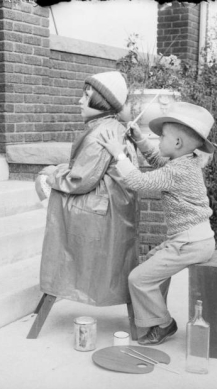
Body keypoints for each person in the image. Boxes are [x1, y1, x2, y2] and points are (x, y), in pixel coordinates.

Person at [98, 102, 216, 345]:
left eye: (161, 136)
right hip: (191, 239)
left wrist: (117, 154)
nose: (157, 139)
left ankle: (164, 323)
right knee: (152, 263)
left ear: (178, 144)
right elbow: (155, 157)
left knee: (138, 278)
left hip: (190, 243)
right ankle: (153, 318)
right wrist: (140, 138)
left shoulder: (177, 171)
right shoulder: (185, 162)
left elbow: (138, 182)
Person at [38, 71, 139, 307]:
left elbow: (79, 181)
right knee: (53, 176)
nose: (79, 101)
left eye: (86, 96)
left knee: (44, 179)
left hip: (101, 212)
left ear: (102, 102)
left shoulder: (100, 134)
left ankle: (59, 280)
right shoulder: (114, 127)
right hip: (116, 210)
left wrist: (51, 174)